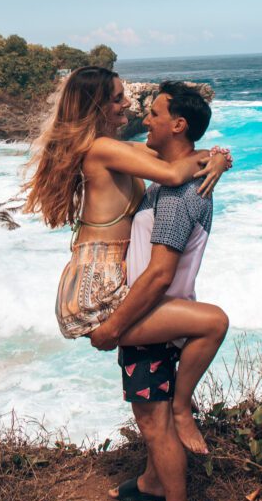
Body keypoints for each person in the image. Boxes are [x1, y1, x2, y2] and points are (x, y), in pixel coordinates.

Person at [23, 66, 230, 459]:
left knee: (150, 406)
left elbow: (180, 154)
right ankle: (182, 414)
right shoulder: (103, 150)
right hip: (98, 286)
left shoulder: (115, 149)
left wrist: (218, 157)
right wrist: (213, 160)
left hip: (105, 278)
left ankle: (156, 475)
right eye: (118, 98)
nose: (128, 104)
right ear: (97, 105)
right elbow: (173, 171)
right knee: (210, 324)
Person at [88, 81, 229, 501]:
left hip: (155, 315)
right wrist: (216, 155)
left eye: (154, 113)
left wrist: (113, 328)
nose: (143, 119)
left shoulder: (175, 196)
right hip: (154, 313)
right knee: (153, 413)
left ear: (178, 125)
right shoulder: (174, 180)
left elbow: (159, 274)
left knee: (156, 420)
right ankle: (151, 481)